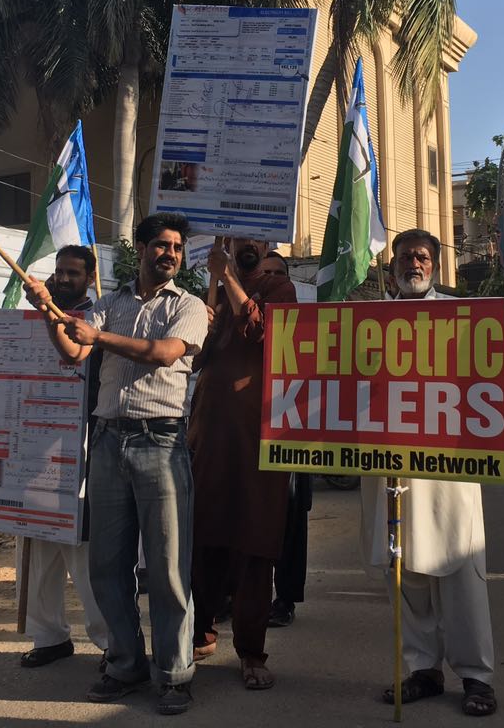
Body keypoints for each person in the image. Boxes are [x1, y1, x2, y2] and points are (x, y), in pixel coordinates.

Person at [28, 213, 207, 716]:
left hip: (161, 442)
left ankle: (174, 674)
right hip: (107, 443)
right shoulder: (110, 303)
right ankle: (125, 663)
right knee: (108, 565)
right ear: (143, 249)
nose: (169, 253)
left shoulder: (190, 307)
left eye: (176, 247)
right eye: (161, 245)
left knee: (169, 569)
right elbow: (72, 353)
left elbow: (163, 353)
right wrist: (47, 310)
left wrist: (96, 336)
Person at [361, 228, 497, 717]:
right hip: (388, 464)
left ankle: (477, 677)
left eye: (422, 258)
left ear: (435, 267)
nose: (413, 264)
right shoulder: (368, 320)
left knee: (460, 570)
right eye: (405, 257)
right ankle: (423, 670)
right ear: (392, 263)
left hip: (448, 467)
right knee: (406, 571)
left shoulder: (462, 319)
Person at [189, 238, 297, 690]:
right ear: (230, 243)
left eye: (257, 238)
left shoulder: (279, 288)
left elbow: (265, 335)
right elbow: (194, 357)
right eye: (240, 239)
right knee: (203, 534)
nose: (249, 245)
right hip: (209, 434)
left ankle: (251, 651)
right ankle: (200, 631)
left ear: (267, 243)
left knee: (255, 542)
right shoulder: (210, 289)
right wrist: (205, 320)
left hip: (261, 437)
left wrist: (229, 279)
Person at [20, 246, 109, 670]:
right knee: (37, 546)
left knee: (83, 550)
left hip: (80, 444)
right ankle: (49, 636)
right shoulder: (40, 308)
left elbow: (72, 349)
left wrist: (45, 309)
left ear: (90, 277)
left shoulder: (97, 315)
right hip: (34, 443)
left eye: (72, 272)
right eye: (58, 271)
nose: (63, 278)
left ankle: (111, 641)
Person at [261, 250, 313, 630]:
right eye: (268, 273)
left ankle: (285, 598)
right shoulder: (237, 316)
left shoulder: (307, 323)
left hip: (292, 438)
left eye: (282, 273)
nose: (276, 280)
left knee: (290, 524)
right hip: (247, 437)